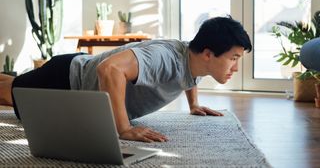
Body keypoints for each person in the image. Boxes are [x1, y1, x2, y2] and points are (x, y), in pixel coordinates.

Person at [0, 16, 252, 143]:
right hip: (67, 81)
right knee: (8, 94)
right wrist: (124, 128)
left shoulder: (194, 58)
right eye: (234, 58)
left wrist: (194, 104)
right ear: (208, 53)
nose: (236, 67)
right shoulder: (164, 59)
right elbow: (109, 70)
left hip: (73, 71)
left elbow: (191, 74)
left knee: (11, 83)